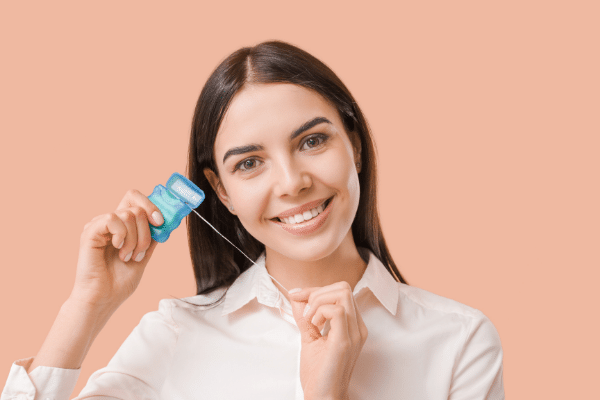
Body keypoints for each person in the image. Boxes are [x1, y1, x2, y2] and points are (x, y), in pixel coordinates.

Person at [1, 40, 504, 400]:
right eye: (249, 163)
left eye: (312, 141)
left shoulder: (457, 340)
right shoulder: (177, 334)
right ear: (220, 190)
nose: (291, 183)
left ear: (353, 143)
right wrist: (86, 307)